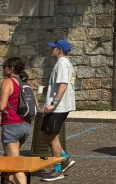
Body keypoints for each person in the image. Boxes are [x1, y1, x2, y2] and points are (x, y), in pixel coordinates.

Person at [41, 40, 76, 182]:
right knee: (46, 135)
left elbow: (63, 85)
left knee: (52, 137)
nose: (52, 50)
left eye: (54, 48)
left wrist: (53, 104)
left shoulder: (63, 63)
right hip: (55, 107)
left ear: (59, 50)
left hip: (58, 107)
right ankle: (65, 159)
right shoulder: (61, 63)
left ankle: (57, 169)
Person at [0, 57, 37, 184]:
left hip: (11, 126)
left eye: (4, 67)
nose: (3, 70)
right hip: (25, 126)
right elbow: (35, 104)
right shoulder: (26, 84)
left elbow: (2, 106)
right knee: (8, 160)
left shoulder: (7, 82)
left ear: (11, 69)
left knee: (15, 165)